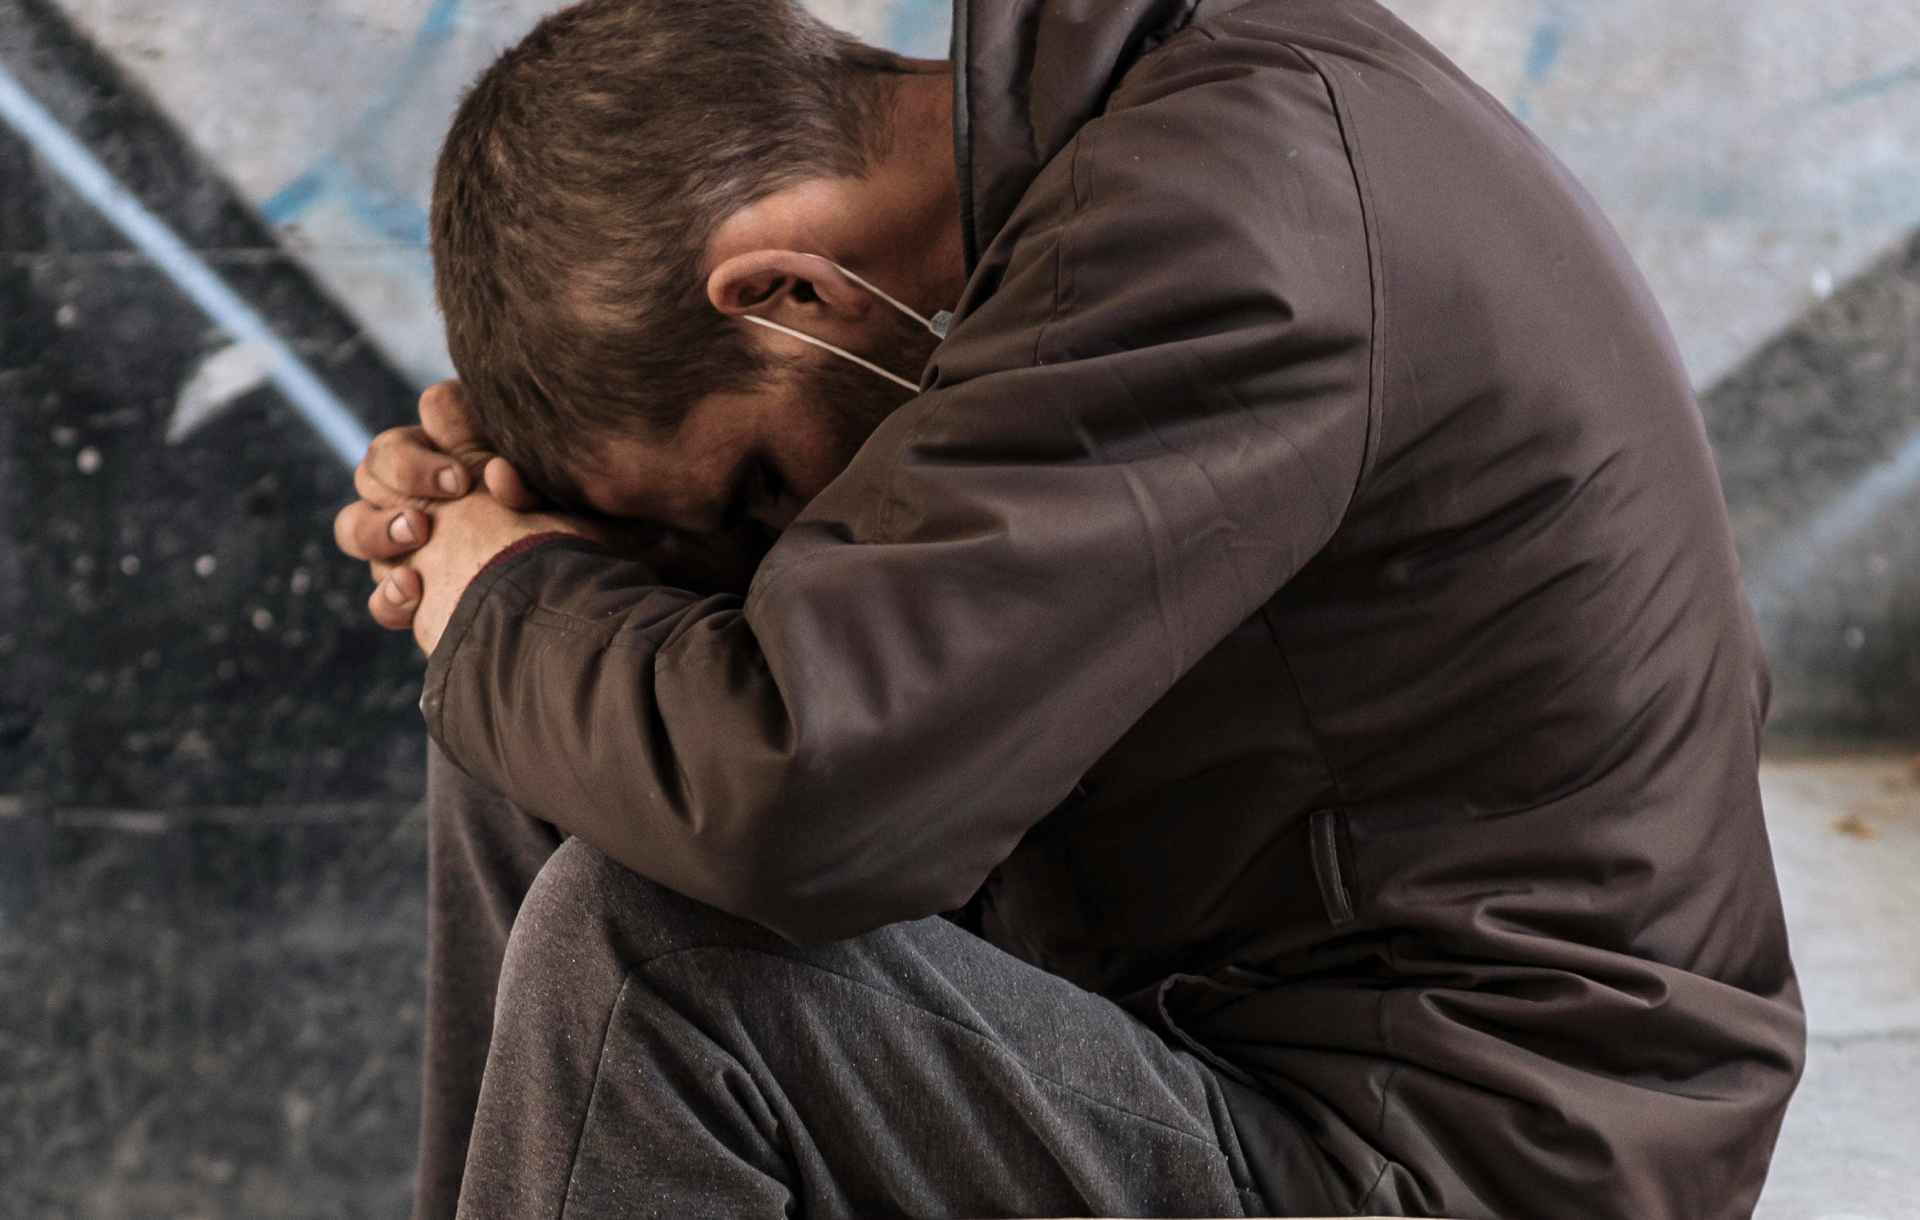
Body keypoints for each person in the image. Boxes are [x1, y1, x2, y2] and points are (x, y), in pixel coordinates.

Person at [334, 0, 1806, 1217]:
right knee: (551, 724)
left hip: (1462, 1162)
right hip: (1271, 1041)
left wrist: (507, 595)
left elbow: (808, 792)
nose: (772, 537)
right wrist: (536, 560)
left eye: (753, 491)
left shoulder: (1225, 230)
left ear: (786, 285)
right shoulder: (1131, 158)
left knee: (648, 927)